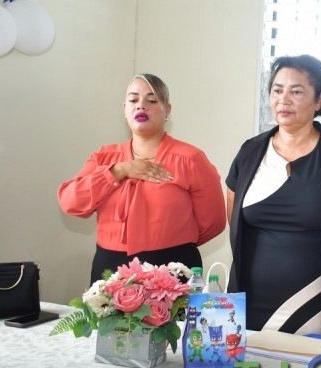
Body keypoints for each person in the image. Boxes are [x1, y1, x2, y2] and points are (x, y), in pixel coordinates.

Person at [226, 55, 321, 343]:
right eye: (277, 90)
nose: (283, 99)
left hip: (320, 302)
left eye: (296, 91)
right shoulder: (249, 153)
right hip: (251, 301)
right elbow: (235, 220)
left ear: (319, 100)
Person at [58, 73, 226, 283]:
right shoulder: (104, 158)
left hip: (173, 266)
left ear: (167, 110)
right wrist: (118, 170)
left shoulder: (190, 159)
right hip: (110, 269)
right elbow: (71, 202)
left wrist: (171, 242)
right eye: (133, 100)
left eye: (152, 100)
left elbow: (214, 222)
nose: (141, 106)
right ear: (124, 109)